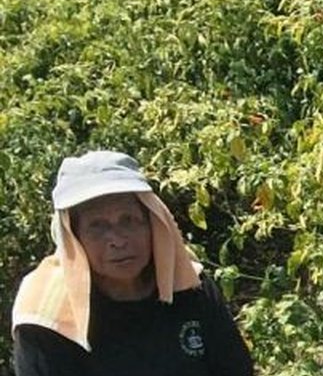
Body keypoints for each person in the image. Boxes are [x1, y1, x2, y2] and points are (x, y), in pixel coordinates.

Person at [11, 150, 254, 376]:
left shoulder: (189, 287)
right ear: (74, 237)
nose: (117, 240)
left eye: (128, 221)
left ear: (153, 224)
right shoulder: (45, 316)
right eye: (98, 226)